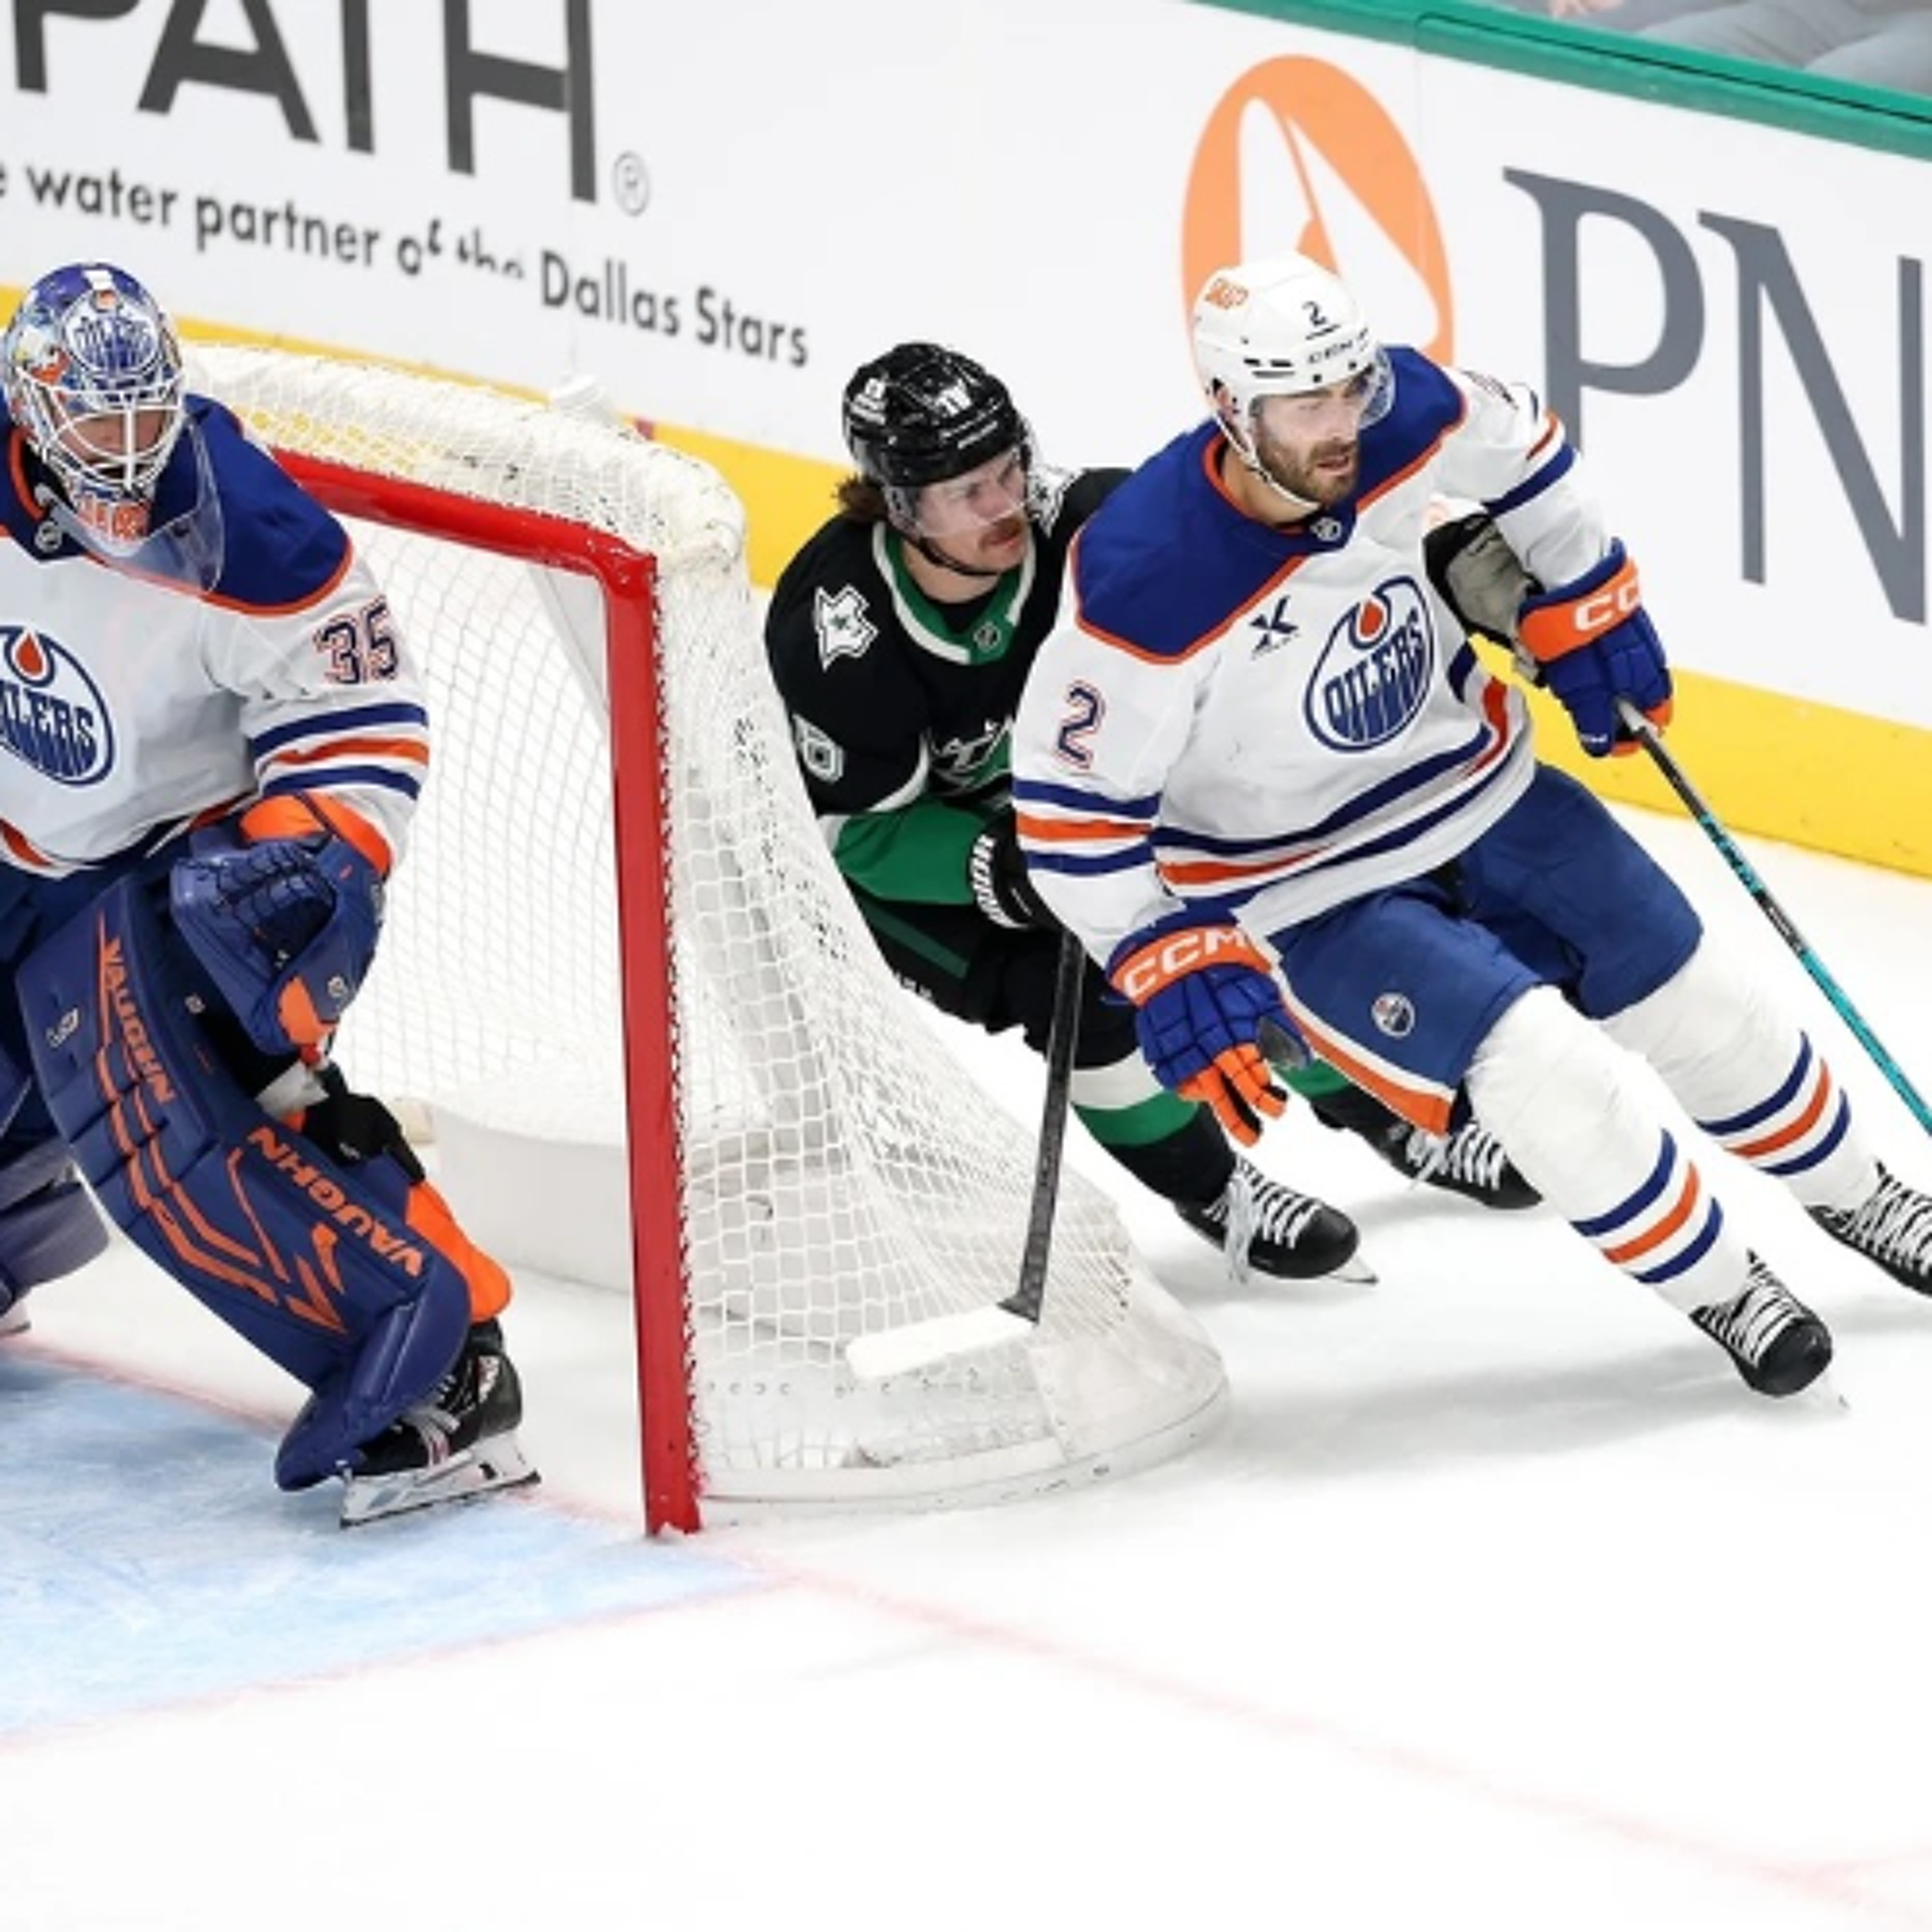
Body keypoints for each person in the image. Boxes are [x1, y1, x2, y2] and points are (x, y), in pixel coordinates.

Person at [1011, 251, 1932, 1396]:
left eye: (1348, 388)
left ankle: (1867, 1197)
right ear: (1232, 408)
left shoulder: (1403, 411)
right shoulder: (1149, 573)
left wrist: (1582, 590)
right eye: (1304, 404)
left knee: (1704, 1004)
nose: (1341, 425)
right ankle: (1728, 1289)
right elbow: (1067, 804)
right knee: (1546, 1076)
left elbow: (1528, 444)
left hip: (1481, 787)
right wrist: (1155, 945)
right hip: (1308, 889)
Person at [764, 343, 1536, 1289]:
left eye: (1009, 468)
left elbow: (1282, 562)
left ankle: (1395, 1117)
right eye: (966, 492)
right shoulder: (840, 634)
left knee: (1254, 914)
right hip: (904, 869)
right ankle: (1214, 1190)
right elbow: (854, 835)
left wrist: (1443, 562)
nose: (1005, 504)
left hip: (1065, 815)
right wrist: (1000, 866)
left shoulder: (1095, 524)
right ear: (898, 506)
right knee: (1083, 997)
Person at [0, 261, 535, 1520]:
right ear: (29, 411)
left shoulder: (251, 527)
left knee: (201, 1109)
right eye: (96, 427)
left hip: (150, 863)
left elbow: (363, 711)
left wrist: (308, 848)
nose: (128, 455)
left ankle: (452, 1366)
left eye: (147, 417)